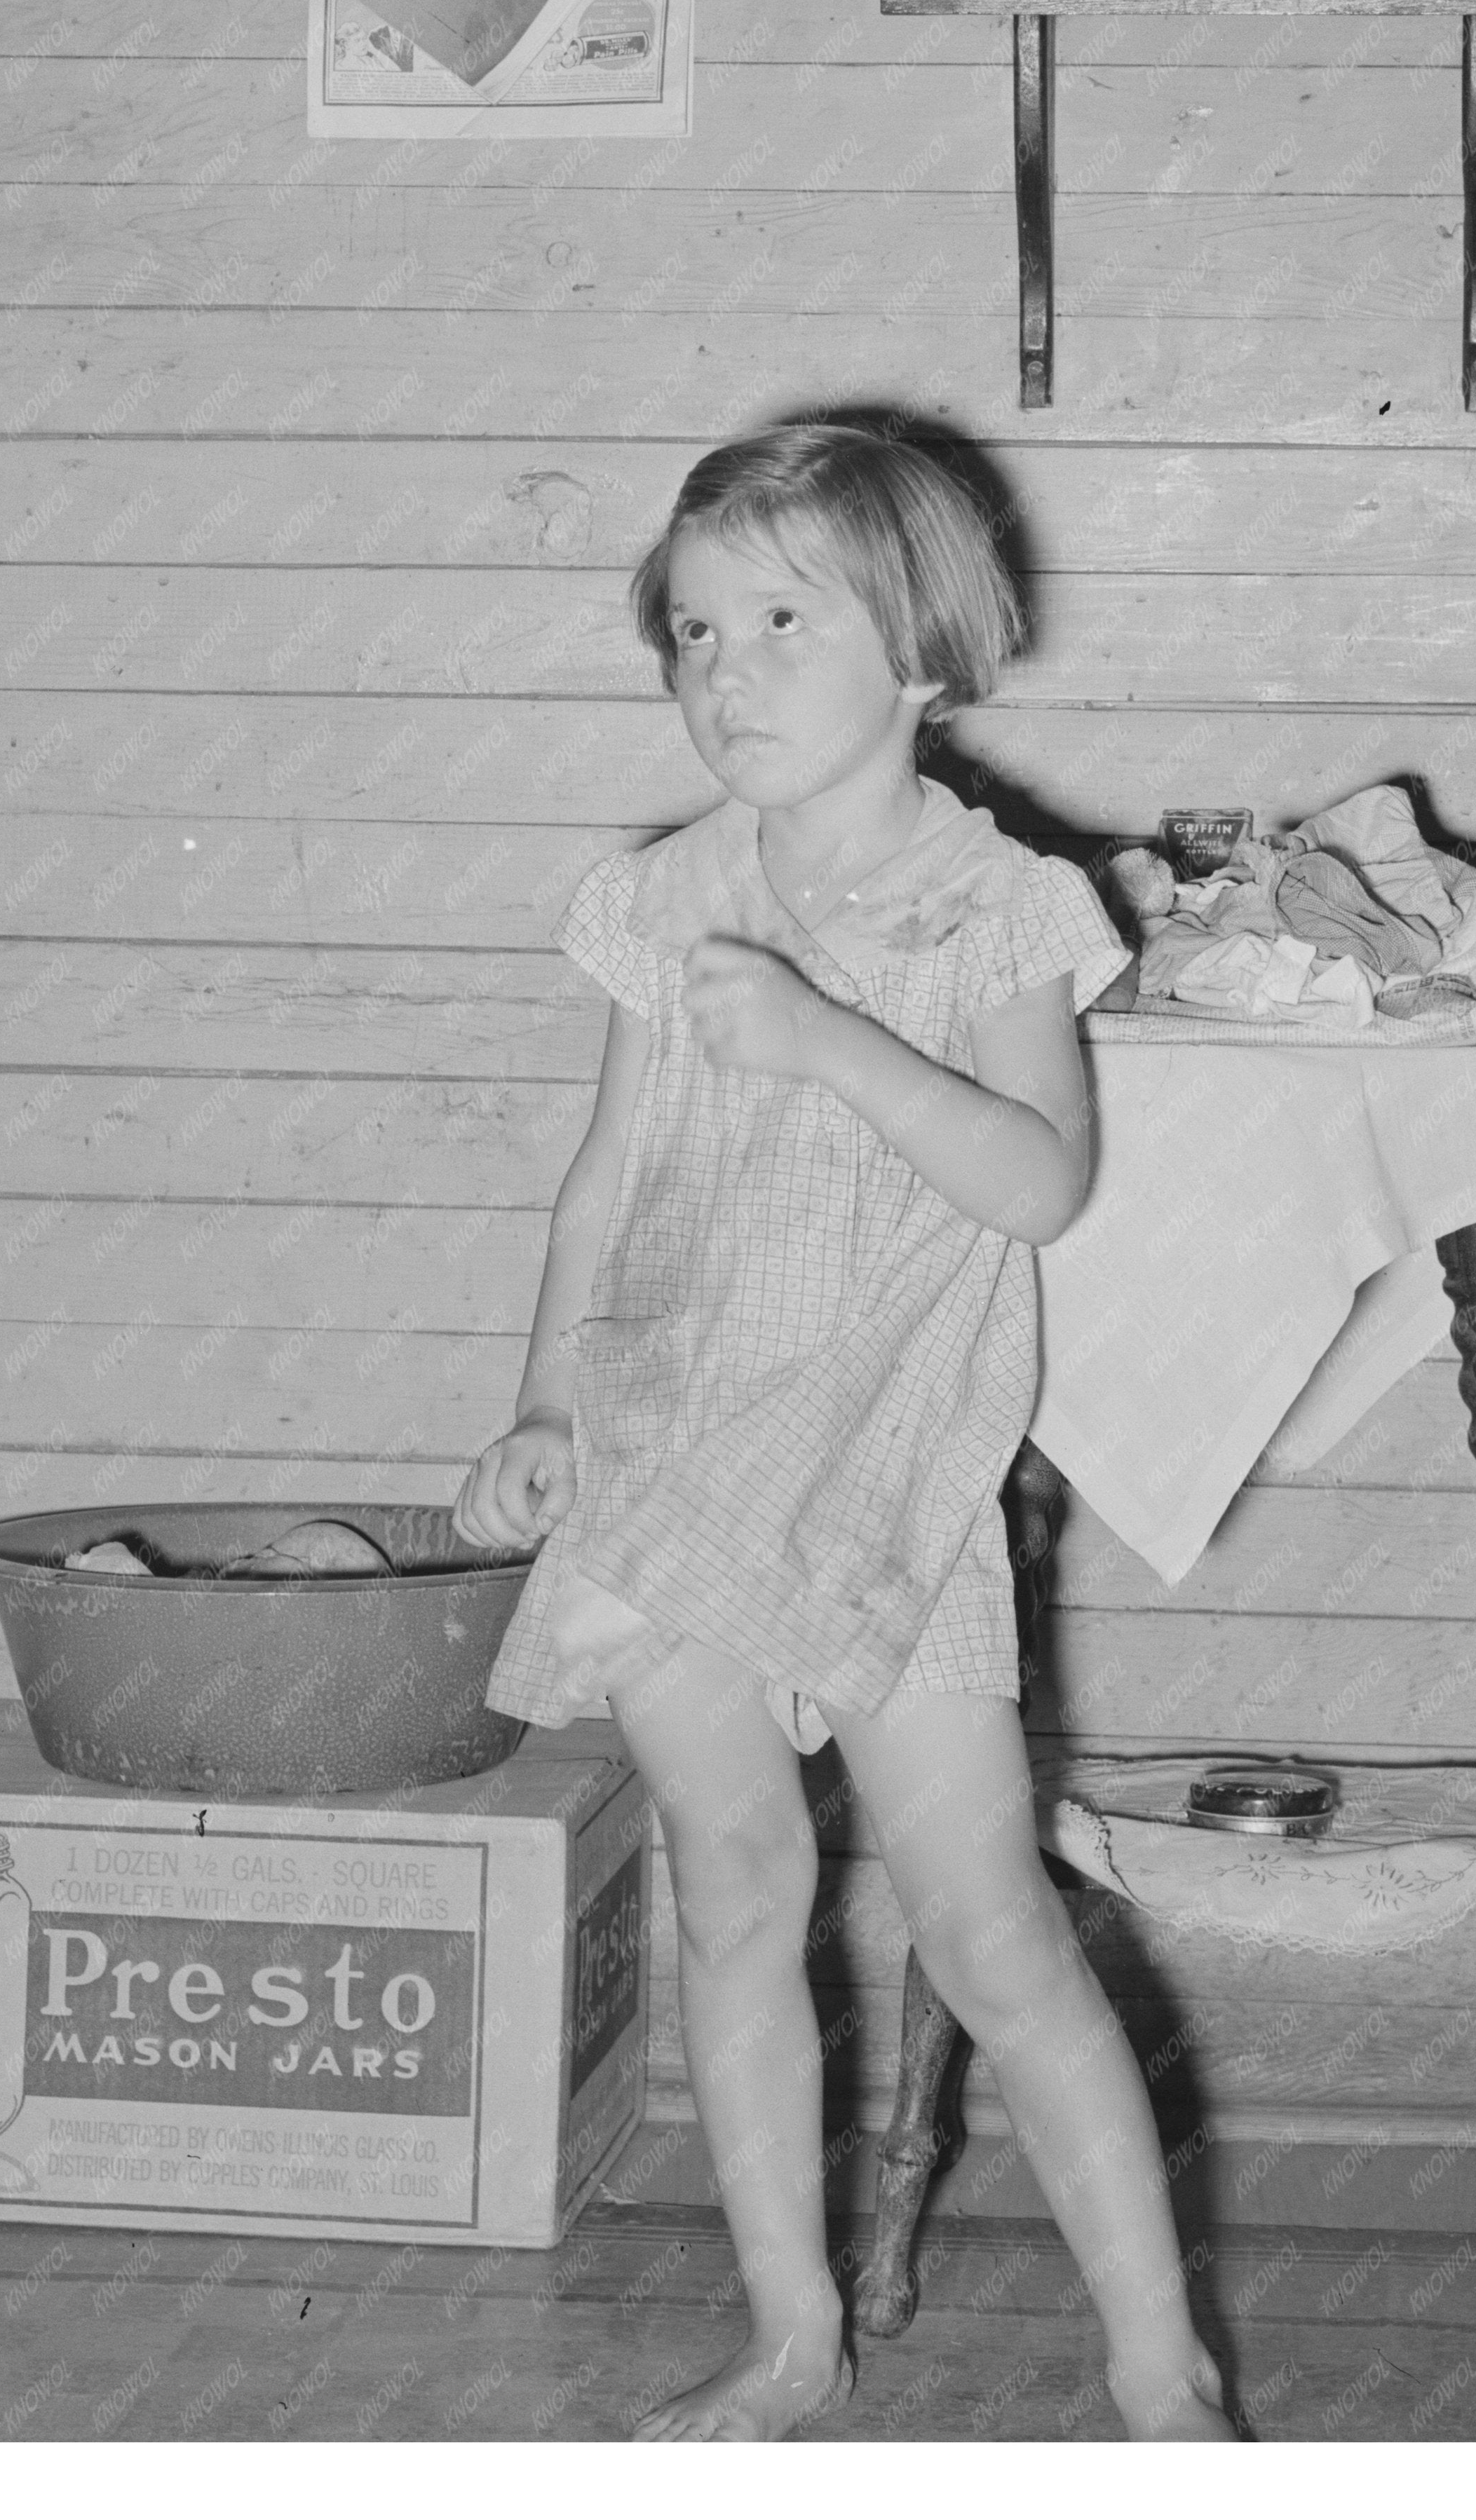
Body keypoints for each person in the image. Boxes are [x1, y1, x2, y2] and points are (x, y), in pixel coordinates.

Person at [457, 418, 1231, 2444]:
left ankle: (1164, 2366)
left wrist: (825, 1037)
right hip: (672, 1458)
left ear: (922, 649)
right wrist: (544, 1394)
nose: (727, 668)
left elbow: (1040, 1181)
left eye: (783, 617)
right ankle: (791, 2331)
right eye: (692, 628)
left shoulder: (1003, 909)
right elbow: (604, 1176)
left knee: (985, 1924)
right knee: (730, 1882)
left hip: (889, 1482)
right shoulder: (659, 899)